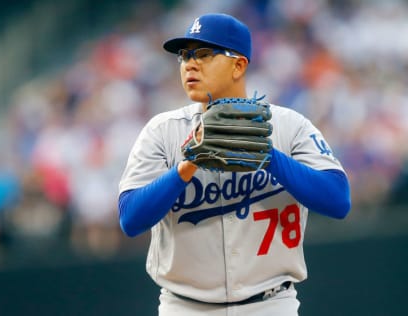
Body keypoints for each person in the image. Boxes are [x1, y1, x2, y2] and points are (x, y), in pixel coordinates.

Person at [118, 13, 351, 316]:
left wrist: (268, 155)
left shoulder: (286, 126)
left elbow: (338, 200)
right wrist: (185, 167)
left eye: (203, 54)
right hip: (184, 307)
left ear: (239, 64)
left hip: (270, 304)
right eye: (184, 56)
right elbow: (130, 219)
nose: (190, 63)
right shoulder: (162, 131)